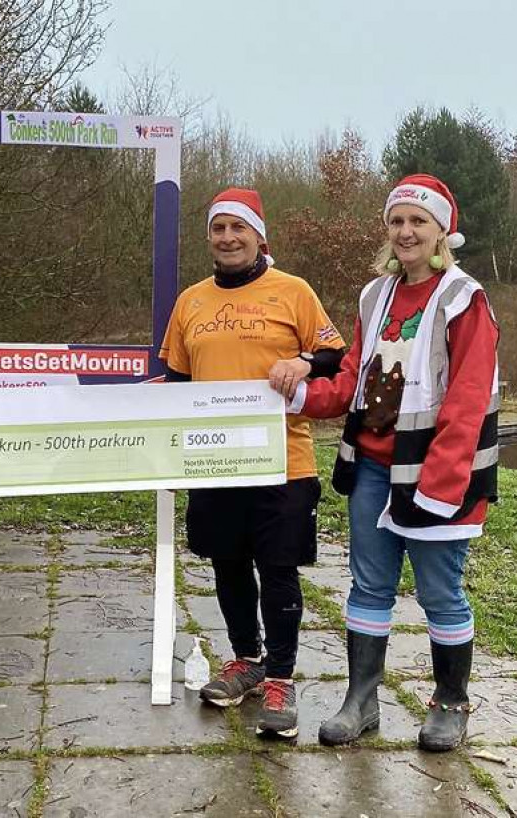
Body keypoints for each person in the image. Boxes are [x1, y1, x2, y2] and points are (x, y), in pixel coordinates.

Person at [270, 174, 499, 752]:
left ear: (441, 231)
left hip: (434, 473)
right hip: (373, 466)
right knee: (368, 585)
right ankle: (361, 701)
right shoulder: (376, 296)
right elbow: (353, 380)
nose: (405, 231)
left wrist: (442, 482)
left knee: (440, 593)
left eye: (418, 222)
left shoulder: (462, 298)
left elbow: (469, 395)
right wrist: (299, 392)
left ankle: (450, 703)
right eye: (397, 221)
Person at [160, 188, 345, 738]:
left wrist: (304, 360)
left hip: (283, 459)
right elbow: (176, 383)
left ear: (260, 236)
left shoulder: (293, 292)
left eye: (238, 228)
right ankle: (246, 659)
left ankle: (282, 679)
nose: (227, 238)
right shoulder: (190, 301)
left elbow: (336, 355)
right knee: (227, 562)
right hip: (215, 461)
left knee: (279, 568)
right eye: (217, 229)